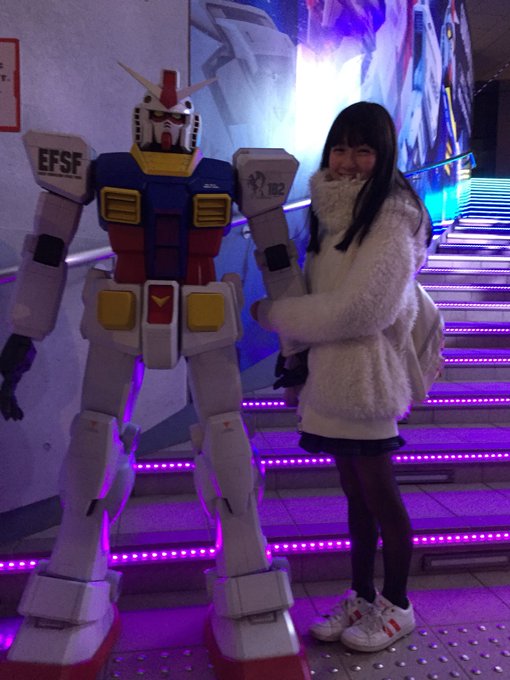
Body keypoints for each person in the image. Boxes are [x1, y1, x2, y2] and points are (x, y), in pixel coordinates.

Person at [251, 101, 431, 653]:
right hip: (330, 377)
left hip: (367, 379)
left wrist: (275, 315)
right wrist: (294, 361)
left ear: (384, 155)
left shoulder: (393, 216)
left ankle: (397, 605)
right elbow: (319, 292)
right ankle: (361, 594)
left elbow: (362, 310)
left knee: (380, 495)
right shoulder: (331, 214)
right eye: (340, 148)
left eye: (364, 150)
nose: (348, 161)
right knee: (355, 494)